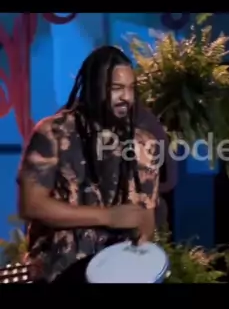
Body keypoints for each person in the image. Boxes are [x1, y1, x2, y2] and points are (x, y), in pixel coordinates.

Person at [17, 45, 162, 283]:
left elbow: (146, 216)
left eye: (131, 88)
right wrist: (108, 216)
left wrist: (143, 235)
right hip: (58, 275)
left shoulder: (144, 144)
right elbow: (31, 205)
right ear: (95, 88)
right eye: (117, 88)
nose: (126, 97)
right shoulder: (53, 132)